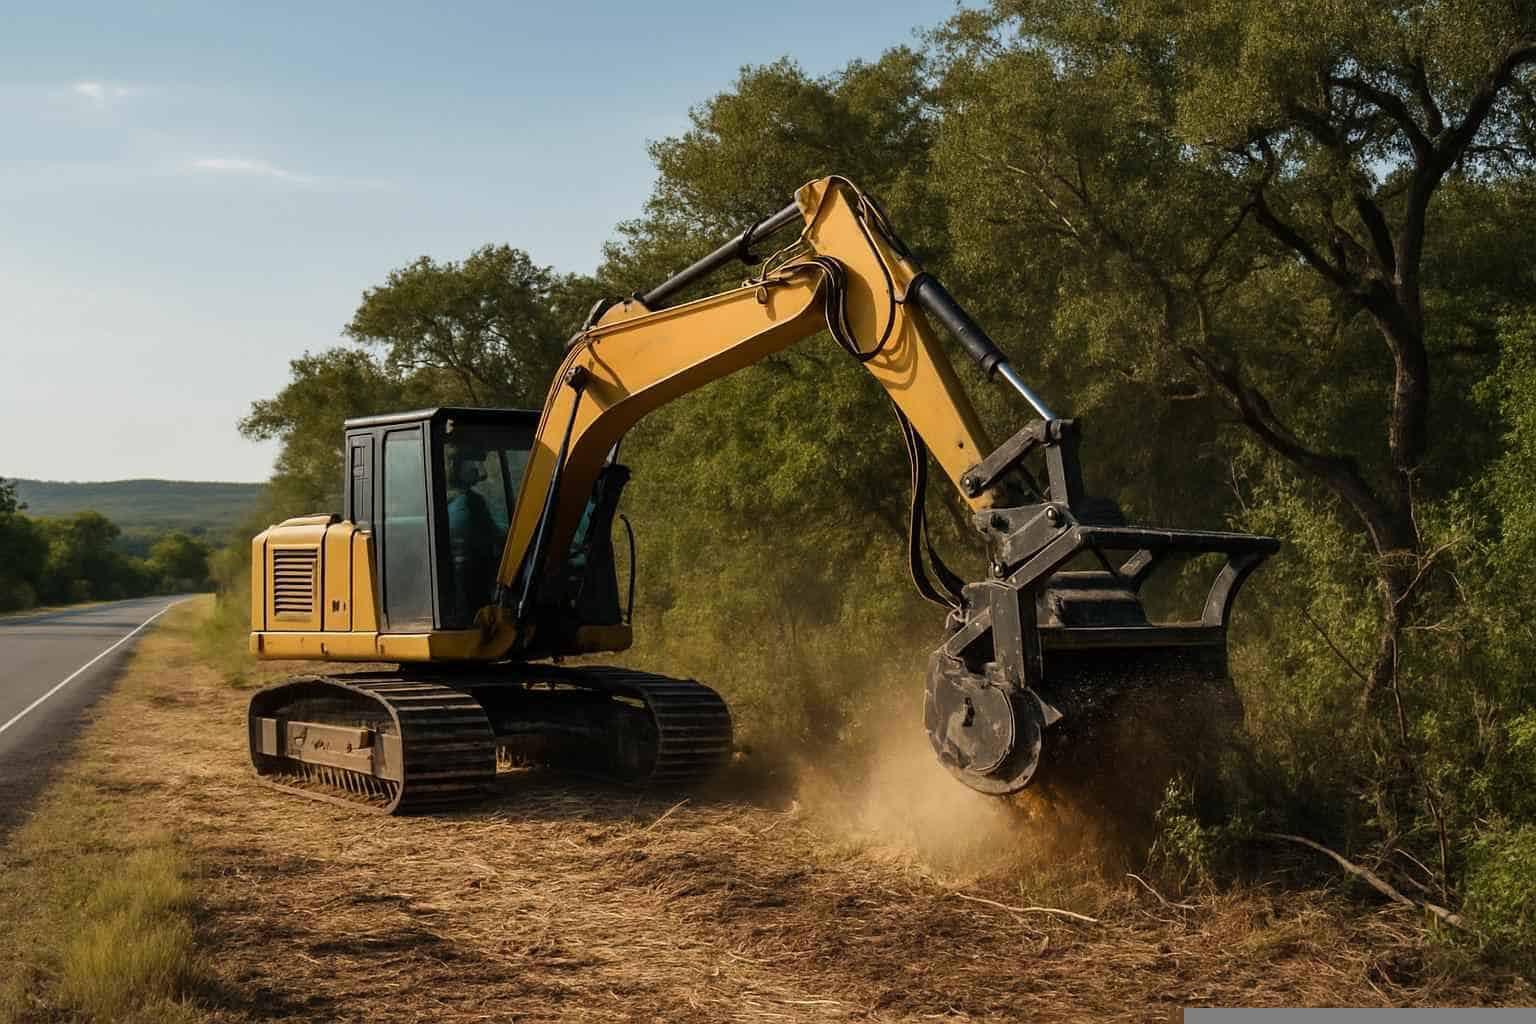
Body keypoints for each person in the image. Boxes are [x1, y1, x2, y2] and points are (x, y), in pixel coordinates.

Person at [445, 445, 500, 618]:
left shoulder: (443, 501)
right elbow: (496, 538)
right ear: (456, 466)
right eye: (471, 460)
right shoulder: (469, 503)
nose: (477, 467)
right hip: (473, 589)